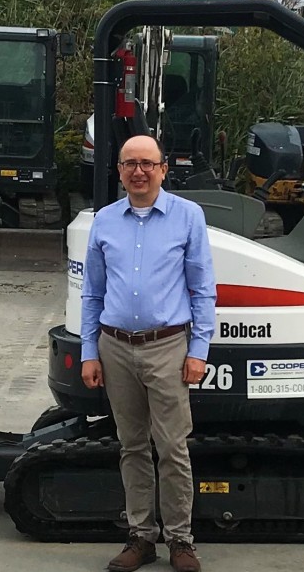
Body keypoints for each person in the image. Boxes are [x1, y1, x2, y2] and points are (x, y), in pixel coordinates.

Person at [80, 134, 216, 572]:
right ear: (119, 171)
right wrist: (89, 352)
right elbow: (92, 294)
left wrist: (199, 350)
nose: (138, 171)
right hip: (115, 348)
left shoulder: (188, 217)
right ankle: (141, 537)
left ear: (162, 169)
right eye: (129, 163)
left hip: (168, 348)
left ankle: (181, 541)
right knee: (132, 446)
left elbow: (202, 290)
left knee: (173, 447)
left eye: (147, 163)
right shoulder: (104, 221)